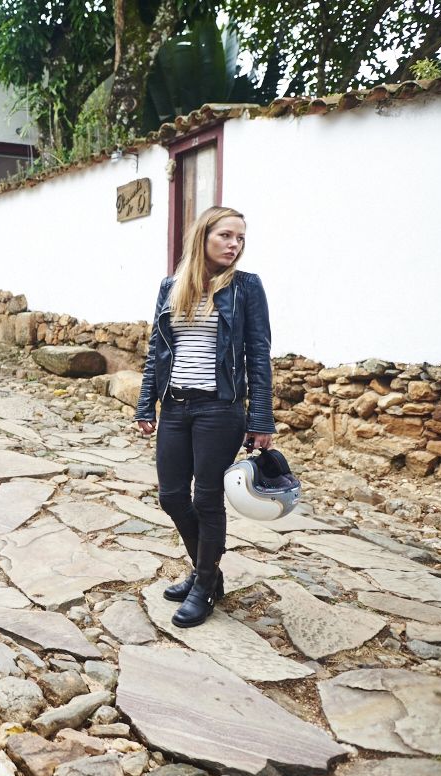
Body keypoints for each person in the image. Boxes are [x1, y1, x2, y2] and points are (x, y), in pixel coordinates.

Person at [134, 206, 275, 629]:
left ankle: (203, 583)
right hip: (175, 405)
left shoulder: (246, 287)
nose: (234, 245)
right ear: (203, 236)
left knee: (206, 498)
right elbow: (157, 350)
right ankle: (206, 571)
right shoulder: (171, 286)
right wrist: (146, 404)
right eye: (226, 235)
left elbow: (259, 355)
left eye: (241, 239)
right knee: (171, 495)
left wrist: (261, 418)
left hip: (220, 408)